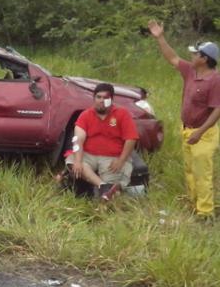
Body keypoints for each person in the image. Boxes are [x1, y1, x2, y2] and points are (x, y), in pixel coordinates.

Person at [148, 20, 220, 219]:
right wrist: (160, 38)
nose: (191, 55)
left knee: (202, 174)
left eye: (195, 54)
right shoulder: (191, 71)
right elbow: (172, 58)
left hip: (204, 133)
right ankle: (193, 203)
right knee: (189, 170)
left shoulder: (215, 80)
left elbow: (217, 110)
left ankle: (205, 213)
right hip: (188, 130)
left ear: (205, 59)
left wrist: (200, 132)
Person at [66, 83, 139, 200]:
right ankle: (103, 186)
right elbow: (78, 139)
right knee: (72, 162)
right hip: (89, 155)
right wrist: (78, 161)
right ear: (94, 99)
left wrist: (121, 161)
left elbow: (131, 139)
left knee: (114, 192)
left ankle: (108, 193)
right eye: (98, 97)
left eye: (105, 98)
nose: (101, 100)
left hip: (112, 158)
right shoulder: (85, 115)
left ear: (111, 99)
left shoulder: (122, 114)